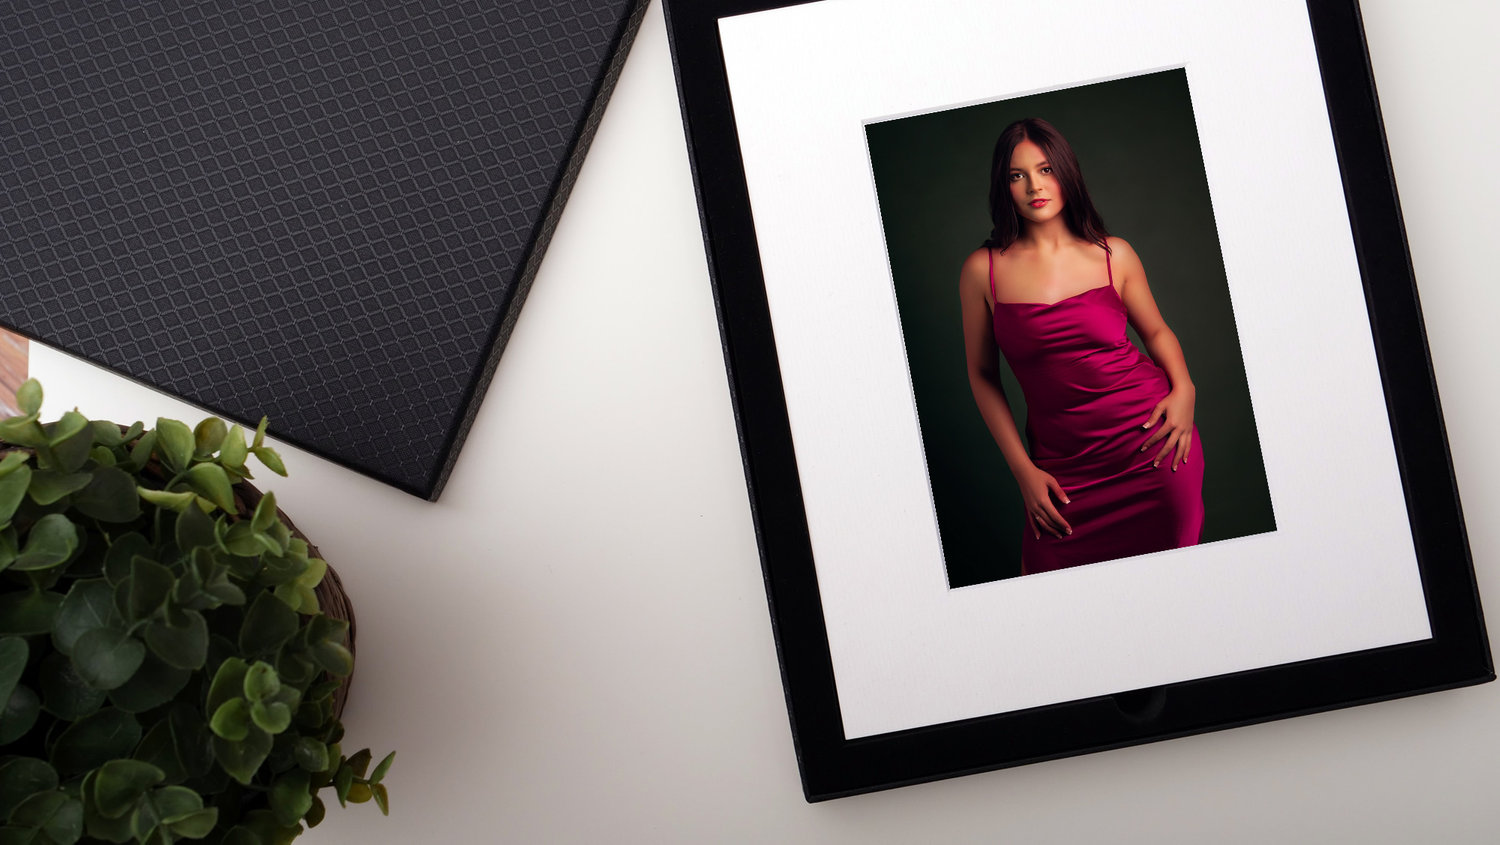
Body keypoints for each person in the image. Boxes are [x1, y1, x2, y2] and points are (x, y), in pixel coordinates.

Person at [959, 117, 1204, 575]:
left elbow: (1156, 333)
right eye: (1017, 175)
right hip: (1061, 469)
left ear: (1066, 172)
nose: (1035, 185)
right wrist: (1023, 471)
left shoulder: (1114, 255)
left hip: (1153, 450)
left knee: (1174, 594)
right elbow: (982, 374)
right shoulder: (982, 271)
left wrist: (1185, 389)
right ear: (1003, 185)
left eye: (1046, 169)